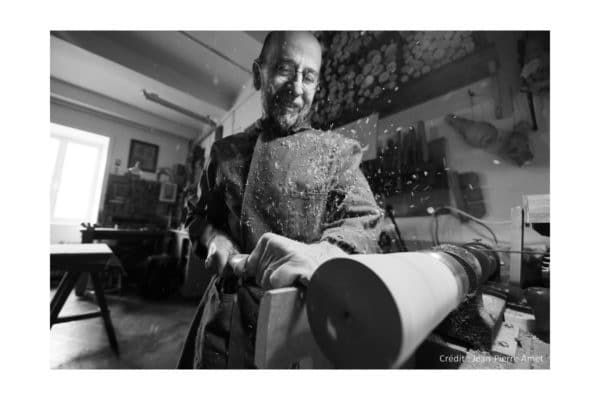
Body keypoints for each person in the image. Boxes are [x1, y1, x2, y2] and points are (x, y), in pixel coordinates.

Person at [177, 31, 384, 368]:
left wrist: (321, 255)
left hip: (296, 319)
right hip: (224, 316)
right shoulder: (225, 153)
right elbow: (198, 217)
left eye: (309, 76)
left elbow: (364, 220)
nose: (297, 87)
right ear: (259, 74)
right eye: (285, 70)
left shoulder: (336, 152)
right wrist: (215, 239)